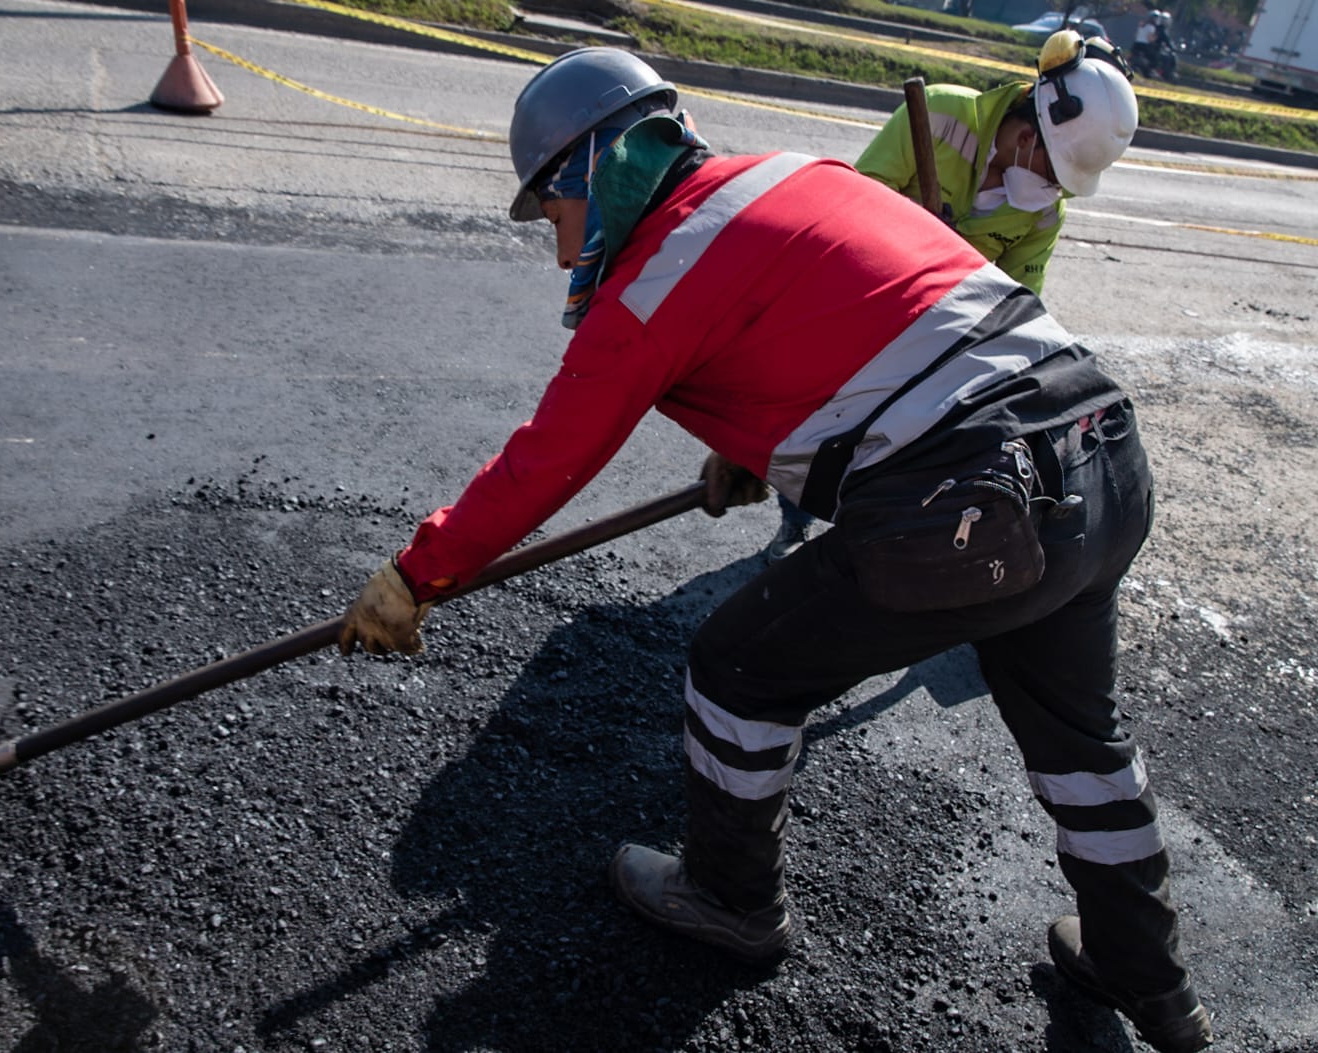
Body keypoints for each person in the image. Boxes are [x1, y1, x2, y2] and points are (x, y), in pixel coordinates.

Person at [337, 47, 1209, 1053]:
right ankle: (1154, 987)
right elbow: (859, 325)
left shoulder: (652, 277)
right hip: (1098, 448)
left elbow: (544, 465)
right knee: (1081, 746)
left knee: (737, 666)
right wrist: (754, 448)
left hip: (972, 496)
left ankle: (729, 898)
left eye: (550, 212)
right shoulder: (792, 173)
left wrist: (418, 577)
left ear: (584, 171)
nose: (555, 239)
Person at [765, 30, 1139, 562]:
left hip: (934, 335)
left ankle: (857, 537)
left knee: (898, 441)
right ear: (1029, 135)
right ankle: (794, 517)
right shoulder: (940, 115)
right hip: (860, 300)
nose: (1054, 189)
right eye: (1056, 173)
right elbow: (850, 207)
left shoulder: (1042, 213)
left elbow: (1018, 296)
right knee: (821, 418)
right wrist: (910, 233)